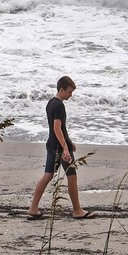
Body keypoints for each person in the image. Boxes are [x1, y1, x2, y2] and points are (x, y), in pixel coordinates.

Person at [27, 75, 96, 220]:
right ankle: (77, 210)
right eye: (69, 92)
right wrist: (65, 148)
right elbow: (57, 128)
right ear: (62, 89)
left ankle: (33, 208)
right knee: (72, 177)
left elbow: (58, 129)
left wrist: (69, 142)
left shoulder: (50, 103)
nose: (71, 95)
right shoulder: (59, 105)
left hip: (52, 144)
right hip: (59, 147)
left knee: (48, 176)